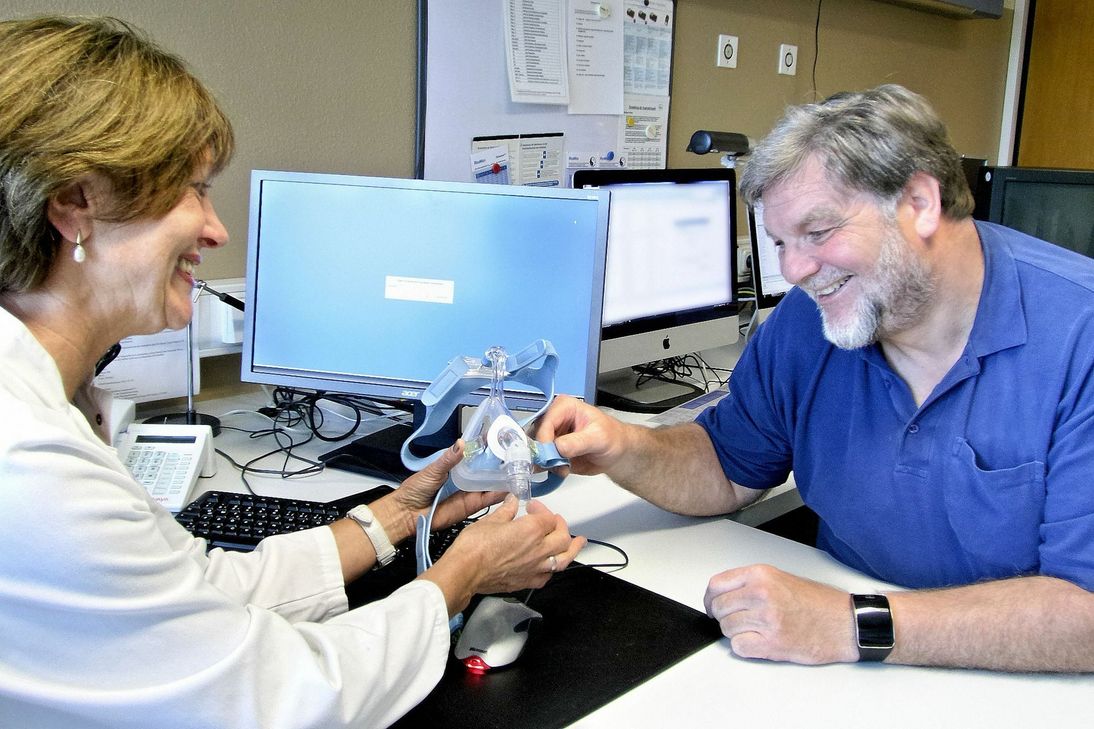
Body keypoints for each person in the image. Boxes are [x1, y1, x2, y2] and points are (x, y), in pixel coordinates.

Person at [0, 16, 584, 728]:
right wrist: (463, 576)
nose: (216, 230)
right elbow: (275, 700)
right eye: (192, 190)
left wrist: (398, 514)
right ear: (74, 204)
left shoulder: (37, 412)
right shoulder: (32, 462)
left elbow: (197, 591)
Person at [538, 84, 1094, 673]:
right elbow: (726, 467)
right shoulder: (811, 320)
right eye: (780, 242)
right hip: (849, 671)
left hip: (1025, 682)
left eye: (819, 232)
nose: (796, 270)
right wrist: (624, 446)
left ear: (920, 203)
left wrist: (853, 623)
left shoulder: (1077, 337)